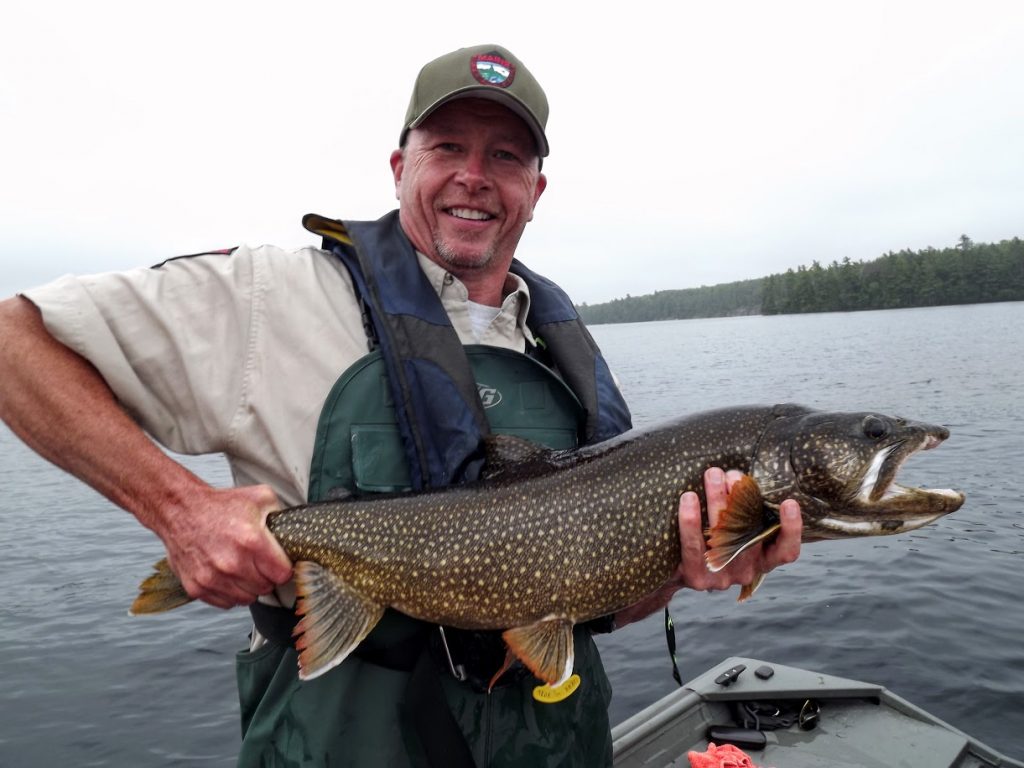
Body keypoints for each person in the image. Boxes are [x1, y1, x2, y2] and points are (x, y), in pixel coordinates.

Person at [0, 44, 802, 767]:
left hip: (553, 745)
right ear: (398, 165)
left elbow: (597, 603)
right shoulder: (269, 298)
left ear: (536, 188)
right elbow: (14, 339)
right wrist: (178, 509)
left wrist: (690, 569)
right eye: (447, 146)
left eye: (505, 155)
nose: (473, 175)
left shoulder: (563, 354)